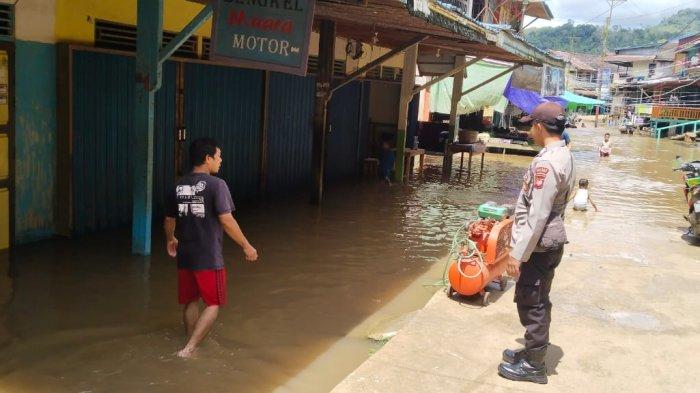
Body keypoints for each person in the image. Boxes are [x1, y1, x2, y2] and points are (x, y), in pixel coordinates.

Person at [498, 102, 575, 385]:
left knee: (532, 303)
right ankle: (533, 351)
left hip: (539, 246)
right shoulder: (563, 155)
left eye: (531, 126)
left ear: (540, 127)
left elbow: (538, 213)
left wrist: (517, 254)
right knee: (538, 298)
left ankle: (535, 366)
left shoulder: (547, 163)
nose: (530, 131)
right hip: (549, 241)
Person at [164, 137, 258, 358]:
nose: (221, 160)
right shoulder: (218, 185)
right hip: (208, 256)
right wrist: (246, 245)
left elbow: (169, 219)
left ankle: (189, 339)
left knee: (190, 300)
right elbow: (226, 220)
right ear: (208, 159)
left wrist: (170, 239)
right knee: (214, 303)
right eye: (218, 156)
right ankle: (190, 349)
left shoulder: (177, 186)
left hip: (186, 255)